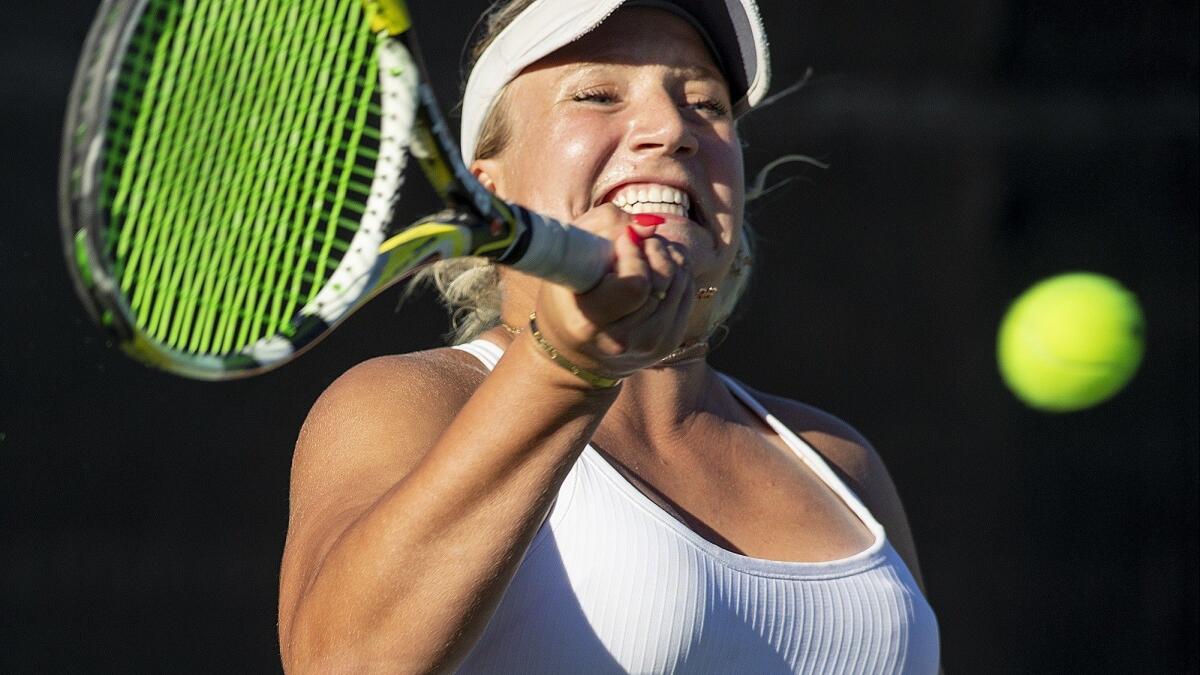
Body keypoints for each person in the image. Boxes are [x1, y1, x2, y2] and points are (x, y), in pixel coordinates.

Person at [278, 0, 941, 672]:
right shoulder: (403, 402)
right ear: (490, 189)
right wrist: (564, 366)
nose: (670, 128)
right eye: (597, 94)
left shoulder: (839, 461)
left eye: (706, 105)